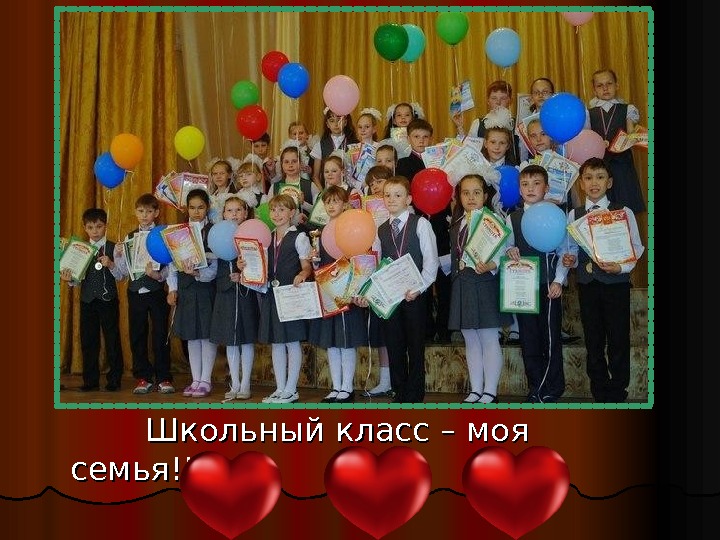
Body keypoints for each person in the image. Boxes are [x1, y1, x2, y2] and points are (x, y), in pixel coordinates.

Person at [562, 157, 645, 402]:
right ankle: (599, 390)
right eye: (588, 178)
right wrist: (570, 260)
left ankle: (618, 390)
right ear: (581, 183)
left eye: (600, 177)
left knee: (618, 338)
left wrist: (620, 267)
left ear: (609, 182)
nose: (594, 183)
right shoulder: (574, 215)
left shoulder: (623, 211)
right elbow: (571, 250)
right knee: (593, 339)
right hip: (588, 285)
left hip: (616, 285)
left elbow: (636, 247)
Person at [357, 176, 439, 403]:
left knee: (415, 346)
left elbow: (431, 261)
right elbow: (375, 264)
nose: (391, 199)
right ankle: (399, 392)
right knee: (394, 345)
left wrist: (420, 288)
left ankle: (415, 394)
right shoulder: (381, 229)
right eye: (387, 195)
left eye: (397, 195)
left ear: (408, 199)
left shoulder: (421, 224)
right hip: (390, 298)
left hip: (415, 296)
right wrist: (366, 292)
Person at [504, 165, 570, 403]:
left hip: (549, 287)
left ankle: (552, 387)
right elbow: (506, 245)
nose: (530, 188)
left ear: (547, 187)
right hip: (523, 287)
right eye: (525, 184)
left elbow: (564, 252)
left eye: (536, 183)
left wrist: (558, 280)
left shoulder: (556, 215)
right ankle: (535, 387)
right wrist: (510, 250)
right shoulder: (512, 218)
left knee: (550, 339)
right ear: (519, 189)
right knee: (529, 339)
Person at [448, 175, 513, 404]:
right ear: (459, 196)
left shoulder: (493, 220)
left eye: (476, 192)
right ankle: (476, 389)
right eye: (465, 193)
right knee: (470, 338)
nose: (471, 197)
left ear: (485, 196)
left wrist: (491, 265)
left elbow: (504, 252)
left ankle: (490, 391)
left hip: (485, 282)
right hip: (463, 283)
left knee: (488, 337)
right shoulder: (457, 223)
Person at [396, 118, 452, 343]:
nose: (421, 141)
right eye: (416, 137)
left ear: (431, 138)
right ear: (408, 138)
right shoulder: (403, 164)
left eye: (425, 137)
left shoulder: (440, 162)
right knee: (421, 278)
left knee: (444, 280)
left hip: (441, 227)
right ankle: (426, 329)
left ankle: (445, 329)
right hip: (417, 228)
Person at [308, 186, 366, 403]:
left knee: (345, 340)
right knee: (331, 340)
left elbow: (359, 257)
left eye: (335, 201)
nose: (331, 205)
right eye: (327, 202)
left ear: (345, 204)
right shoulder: (321, 231)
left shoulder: (351, 226)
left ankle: (347, 388)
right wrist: (315, 261)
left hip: (346, 289)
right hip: (328, 290)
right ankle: (336, 386)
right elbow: (321, 262)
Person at [113, 194, 173, 395]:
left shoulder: (162, 234)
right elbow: (123, 272)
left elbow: (170, 266)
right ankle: (143, 377)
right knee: (137, 335)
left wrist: (158, 276)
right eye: (141, 211)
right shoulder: (129, 238)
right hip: (135, 292)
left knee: (160, 335)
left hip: (156, 292)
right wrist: (118, 256)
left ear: (156, 213)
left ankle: (163, 377)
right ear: (135, 212)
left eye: (149, 211)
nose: (144, 215)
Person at [257, 194, 314, 404]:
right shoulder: (267, 238)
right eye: (273, 210)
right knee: (277, 342)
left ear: (292, 213)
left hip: (290, 295)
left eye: (282, 210)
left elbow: (307, 266)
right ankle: (280, 388)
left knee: (291, 341)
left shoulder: (299, 237)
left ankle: (291, 389)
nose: (277, 214)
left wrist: (302, 274)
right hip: (272, 295)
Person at [60, 208, 124, 392]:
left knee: (112, 340)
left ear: (105, 226)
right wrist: (69, 278)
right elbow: (77, 280)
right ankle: (90, 381)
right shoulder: (79, 250)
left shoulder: (114, 248)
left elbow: (122, 276)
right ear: (85, 228)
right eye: (90, 227)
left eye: (99, 226)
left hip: (108, 300)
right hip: (88, 301)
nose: (95, 231)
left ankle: (114, 379)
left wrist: (111, 264)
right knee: (88, 341)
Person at [167, 189, 218, 398]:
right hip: (186, 289)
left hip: (205, 288)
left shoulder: (213, 231)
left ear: (207, 208)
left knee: (205, 335)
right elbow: (172, 263)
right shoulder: (178, 231)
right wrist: (172, 288)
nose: (196, 212)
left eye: (200, 207)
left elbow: (215, 266)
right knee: (191, 336)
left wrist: (198, 273)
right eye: (192, 207)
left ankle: (206, 380)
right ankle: (195, 379)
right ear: (186, 208)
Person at [209, 196, 259, 401]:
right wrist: (230, 278)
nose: (234, 214)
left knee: (246, 340)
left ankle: (245, 383)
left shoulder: (252, 236)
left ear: (245, 213)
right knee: (231, 341)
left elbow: (260, 268)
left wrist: (243, 276)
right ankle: (235, 383)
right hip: (226, 296)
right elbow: (215, 274)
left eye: (238, 210)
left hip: (247, 295)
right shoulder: (218, 237)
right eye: (229, 210)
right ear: (223, 214)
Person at [587, 69, 646, 214]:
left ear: (617, 85)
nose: (605, 88)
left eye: (609, 84)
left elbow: (631, 132)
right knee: (602, 209)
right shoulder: (589, 113)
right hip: (599, 167)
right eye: (600, 85)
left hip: (622, 164)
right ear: (594, 90)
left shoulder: (627, 109)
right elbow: (587, 138)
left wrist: (635, 138)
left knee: (625, 207)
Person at [358, 165, 393, 398]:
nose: (376, 187)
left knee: (397, 333)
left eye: (380, 181)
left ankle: (399, 379)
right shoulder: (365, 213)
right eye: (372, 184)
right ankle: (385, 380)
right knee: (380, 334)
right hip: (374, 275)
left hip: (396, 278)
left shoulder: (401, 211)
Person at [452, 80, 520, 164]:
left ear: (510, 101)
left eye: (503, 98)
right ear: (488, 101)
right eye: (494, 98)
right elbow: (469, 149)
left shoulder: (517, 125)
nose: (498, 102)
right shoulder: (478, 124)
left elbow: (522, 154)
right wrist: (460, 127)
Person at [310, 109, 358, 190]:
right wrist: (323, 193)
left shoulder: (355, 145)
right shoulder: (320, 145)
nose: (336, 124)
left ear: (345, 122)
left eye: (339, 120)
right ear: (327, 124)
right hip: (328, 191)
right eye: (332, 121)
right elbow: (316, 176)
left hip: (349, 191)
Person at [271, 145, 319, 227]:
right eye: (286, 162)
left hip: (305, 231)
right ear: (281, 164)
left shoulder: (310, 185)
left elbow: (319, 212)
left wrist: (304, 204)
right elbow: (269, 212)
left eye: (294, 161)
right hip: (282, 231)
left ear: (300, 163)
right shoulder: (274, 187)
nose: (290, 165)